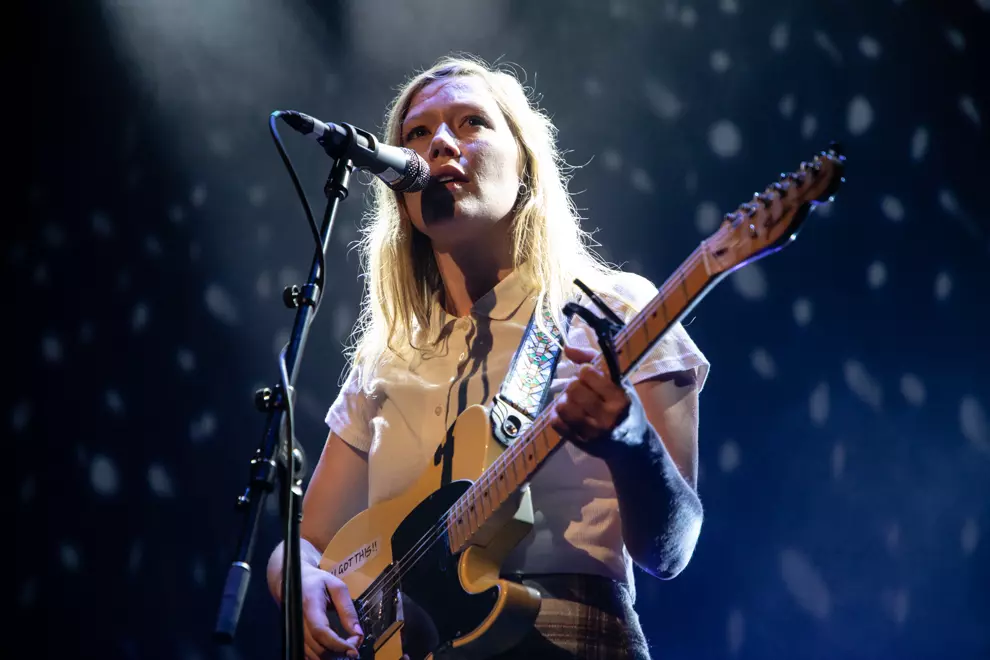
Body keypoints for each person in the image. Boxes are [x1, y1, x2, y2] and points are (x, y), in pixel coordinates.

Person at [266, 54, 709, 660]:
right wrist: (299, 582)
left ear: (524, 165)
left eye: (471, 122)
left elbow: (671, 551)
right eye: (417, 133)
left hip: (568, 637)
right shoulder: (387, 356)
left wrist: (630, 441)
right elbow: (307, 541)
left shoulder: (610, 308)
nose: (439, 143)